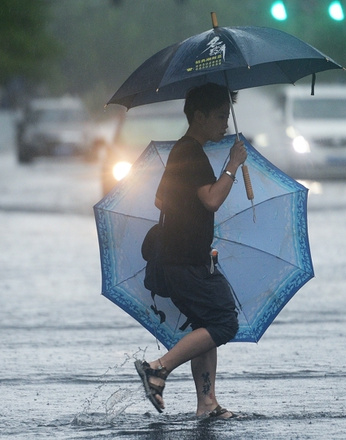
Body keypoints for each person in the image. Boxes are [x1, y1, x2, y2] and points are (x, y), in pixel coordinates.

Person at [134, 83, 247, 419]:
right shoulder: (191, 153)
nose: (225, 123)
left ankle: (207, 404)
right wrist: (233, 165)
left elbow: (161, 199)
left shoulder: (183, 152)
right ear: (199, 116)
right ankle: (158, 368)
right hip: (182, 261)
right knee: (225, 322)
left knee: (207, 324)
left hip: (185, 257)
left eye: (227, 115)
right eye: (219, 116)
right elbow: (211, 199)